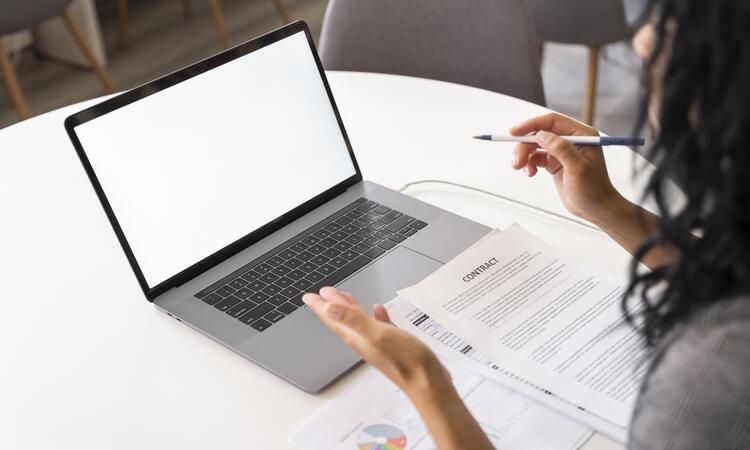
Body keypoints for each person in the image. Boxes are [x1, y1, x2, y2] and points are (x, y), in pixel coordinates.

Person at [301, 0, 750, 448]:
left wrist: (424, 381)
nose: (641, 37)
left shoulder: (707, 380)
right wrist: (605, 206)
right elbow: (733, 280)